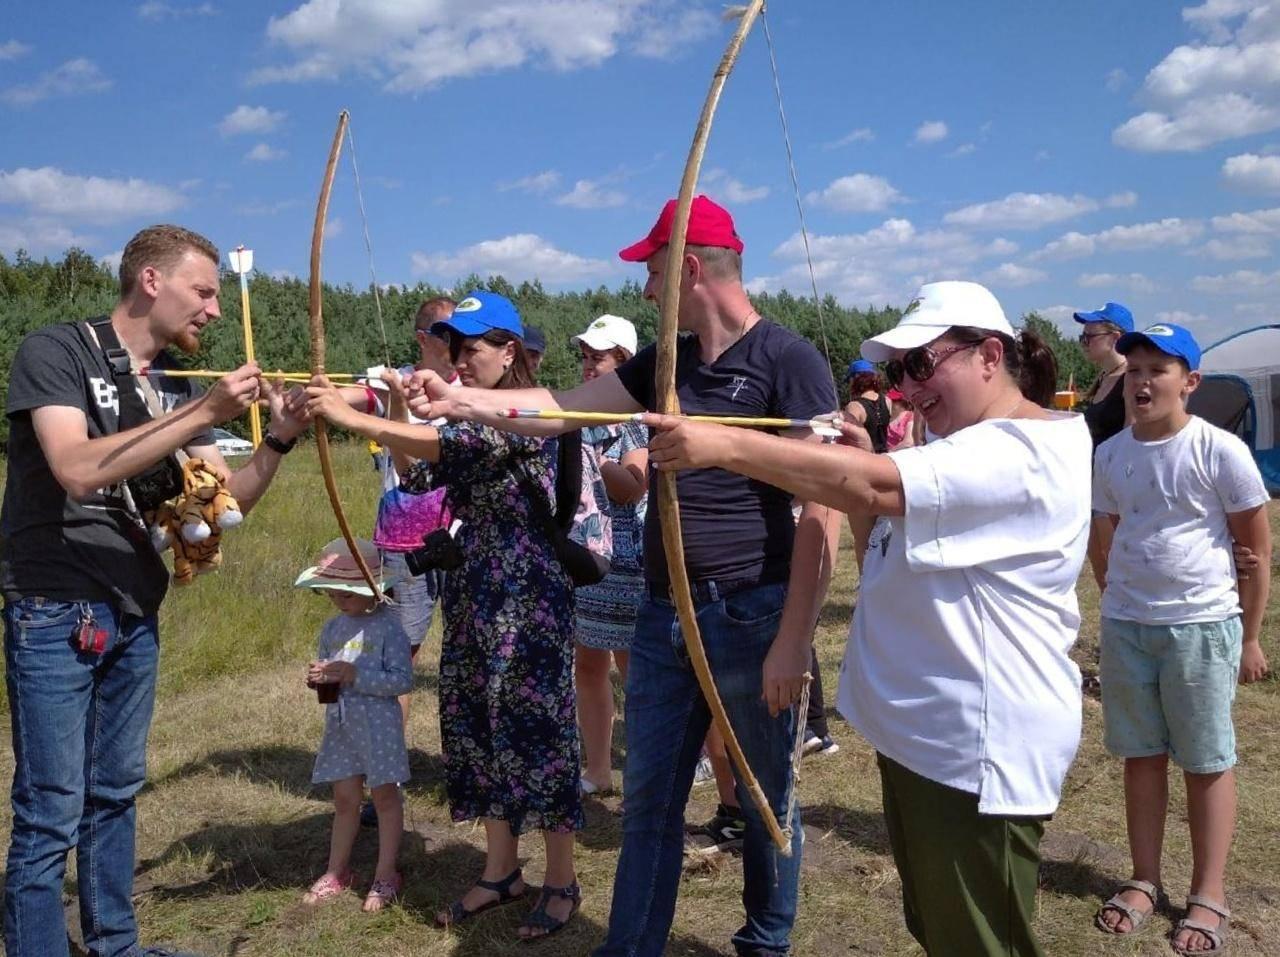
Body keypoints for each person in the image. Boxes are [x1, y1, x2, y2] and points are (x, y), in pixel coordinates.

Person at [404, 195, 842, 957]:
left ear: (690, 268)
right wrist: (461, 398)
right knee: (649, 804)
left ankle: (764, 942)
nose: (645, 288)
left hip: (753, 610)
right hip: (664, 610)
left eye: (653, 271)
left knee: (766, 794)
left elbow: (824, 505)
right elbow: (562, 410)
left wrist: (793, 639)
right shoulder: (665, 361)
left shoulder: (788, 359)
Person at [642, 280, 1090, 956]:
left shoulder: (1020, 449)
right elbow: (878, 528)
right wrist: (857, 463)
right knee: (939, 929)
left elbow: (870, 486)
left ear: (990, 355)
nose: (909, 386)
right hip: (927, 739)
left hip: (974, 750)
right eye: (900, 370)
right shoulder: (963, 446)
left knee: (977, 941)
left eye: (923, 362)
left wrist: (722, 444)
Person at [1, 224, 309, 957]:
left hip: (134, 601)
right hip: (56, 600)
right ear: (150, 281)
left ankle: (114, 944)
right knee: (51, 805)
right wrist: (203, 413)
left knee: (114, 790)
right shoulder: (59, 351)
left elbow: (224, 504)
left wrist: (279, 437)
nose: (213, 309)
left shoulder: (172, 381)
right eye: (202, 291)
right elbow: (76, 469)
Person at [304, 290, 584, 942]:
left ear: (509, 351)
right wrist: (394, 405)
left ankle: (561, 879)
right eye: (452, 344)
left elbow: (443, 443)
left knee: (537, 737)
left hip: (527, 601)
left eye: (473, 345)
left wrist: (359, 420)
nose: (459, 357)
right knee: (477, 731)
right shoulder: (464, 410)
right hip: (473, 595)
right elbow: (418, 478)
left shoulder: (526, 410)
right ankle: (501, 870)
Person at [1091, 323, 1271, 955]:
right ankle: (1144, 879)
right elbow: (1105, 535)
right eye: (1135, 370)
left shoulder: (1220, 450)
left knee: (1205, 761)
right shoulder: (1110, 454)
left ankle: (1208, 893)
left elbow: (1256, 548)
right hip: (1127, 628)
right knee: (1140, 756)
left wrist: (1250, 637)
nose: (1142, 382)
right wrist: (1116, 600)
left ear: (1189, 382)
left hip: (1201, 627)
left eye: (1158, 370)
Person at [295, 538, 412, 912]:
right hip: (342, 727)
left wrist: (354, 675)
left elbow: (402, 681)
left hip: (379, 730)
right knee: (345, 799)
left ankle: (386, 873)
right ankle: (337, 871)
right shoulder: (333, 628)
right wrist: (320, 679)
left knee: (384, 798)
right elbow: (330, 672)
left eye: (345, 593)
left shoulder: (389, 629)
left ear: (373, 589)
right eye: (331, 593)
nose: (337, 600)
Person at [571, 314, 649, 796]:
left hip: (624, 562)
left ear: (623, 361)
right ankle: (598, 769)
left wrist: (595, 460)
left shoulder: (635, 422)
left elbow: (633, 487)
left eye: (597, 357)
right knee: (588, 666)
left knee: (634, 669)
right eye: (584, 356)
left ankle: (647, 768)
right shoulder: (579, 416)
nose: (587, 365)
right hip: (585, 560)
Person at [1073, 300, 1134, 590]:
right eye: (1082, 337)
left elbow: (1131, 435)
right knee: (1101, 568)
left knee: (1116, 566)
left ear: (1116, 338)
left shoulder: (1131, 378)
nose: (1084, 343)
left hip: (1114, 486)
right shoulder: (1103, 378)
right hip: (1093, 483)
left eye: (1090, 336)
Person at [842, 357, 890, 452]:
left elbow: (850, 439)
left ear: (855, 379)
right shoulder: (887, 401)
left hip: (866, 457)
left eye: (850, 380)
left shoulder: (854, 407)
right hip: (886, 455)